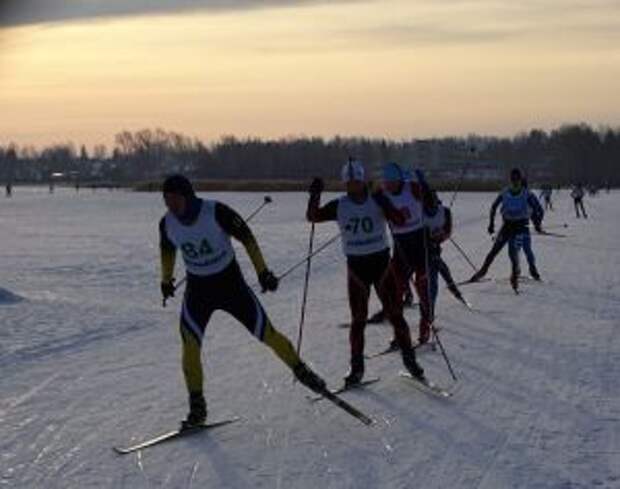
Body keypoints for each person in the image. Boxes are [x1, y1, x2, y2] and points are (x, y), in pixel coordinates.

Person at [159, 174, 326, 427]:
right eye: (166, 199)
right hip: (198, 291)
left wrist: (263, 272)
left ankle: (302, 371)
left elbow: (247, 237)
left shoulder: (215, 211)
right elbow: (167, 250)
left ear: (187, 196)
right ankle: (197, 408)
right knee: (190, 347)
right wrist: (166, 279)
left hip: (230, 286)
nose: (170, 205)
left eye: (174, 199)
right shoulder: (167, 223)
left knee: (267, 334)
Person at [306, 160, 425, 386]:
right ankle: (357, 369)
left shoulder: (377, 199)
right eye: (349, 183)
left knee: (396, 315)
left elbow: (400, 219)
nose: (353, 186)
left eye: (357, 182)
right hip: (357, 270)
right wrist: (315, 194)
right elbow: (313, 216)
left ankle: (411, 362)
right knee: (358, 321)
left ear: (363, 181)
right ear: (345, 184)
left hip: (381, 265)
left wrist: (384, 201)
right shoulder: (340, 205)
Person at [380, 162, 433, 345]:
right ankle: (399, 334)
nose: (388, 186)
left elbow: (431, 202)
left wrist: (425, 186)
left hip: (419, 243)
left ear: (399, 180)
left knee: (423, 289)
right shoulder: (384, 194)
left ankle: (425, 329)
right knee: (396, 292)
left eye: (391, 182)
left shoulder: (413, 188)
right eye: (386, 183)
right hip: (400, 246)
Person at [468, 168, 544, 290]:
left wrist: (537, 223)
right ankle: (482, 272)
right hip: (507, 226)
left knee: (515, 253)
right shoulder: (505, 192)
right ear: (510, 180)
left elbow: (537, 209)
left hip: (520, 227)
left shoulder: (527, 194)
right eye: (513, 180)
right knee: (494, 251)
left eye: (517, 180)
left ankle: (516, 277)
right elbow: (493, 207)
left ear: (520, 180)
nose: (514, 182)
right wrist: (491, 224)